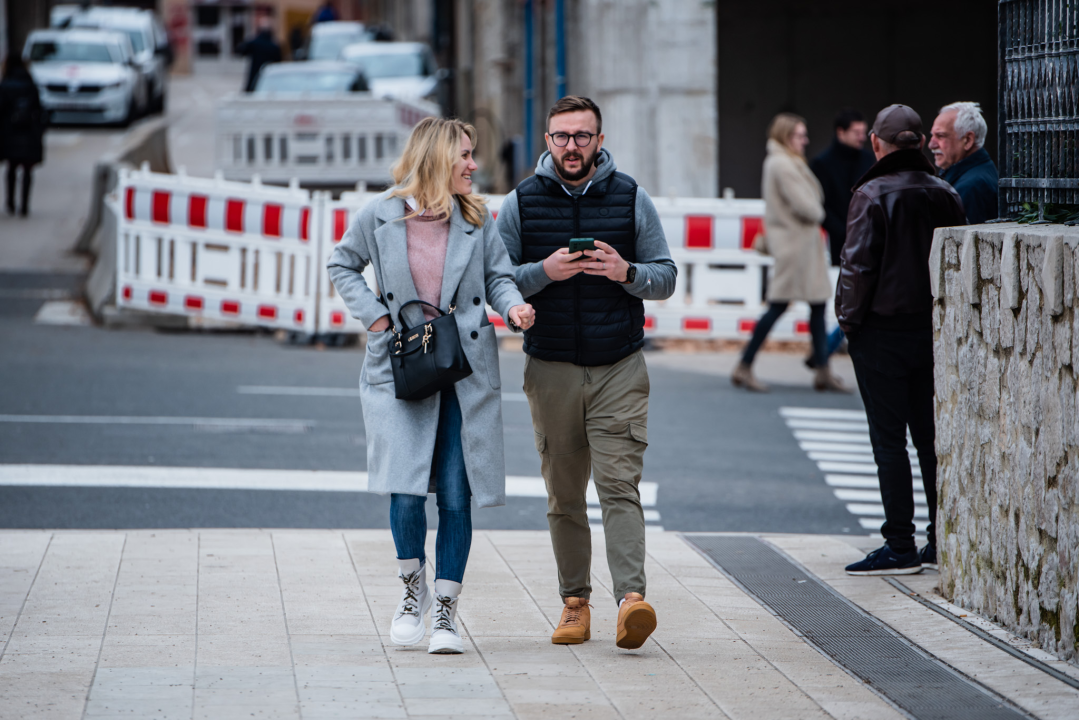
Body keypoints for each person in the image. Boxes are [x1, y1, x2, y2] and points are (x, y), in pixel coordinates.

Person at [327, 117, 534, 653]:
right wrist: (375, 319)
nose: (473, 164)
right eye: (465, 155)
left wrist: (513, 308)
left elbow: (497, 279)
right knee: (405, 490)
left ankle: (445, 611)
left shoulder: (477, 217)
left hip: (463, 370)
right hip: (400, 367)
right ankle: (409, 590)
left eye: (473, 155)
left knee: (458, 497)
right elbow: (342, 264)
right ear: (437, 158)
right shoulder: (380, 215)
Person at [497, 96, 676, 649]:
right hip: (550, 366)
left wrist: (626, 273)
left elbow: (665, 276)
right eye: (560, 136)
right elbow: (497, 279)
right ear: (547, 141)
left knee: (619, 485)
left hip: (619, 365)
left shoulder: (631, 198)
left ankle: (631, 601)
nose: (571, 146)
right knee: (564, 494)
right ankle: (575, 604)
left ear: (599, 140)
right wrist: (543, 274)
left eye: (581, 136)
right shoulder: (521, 203)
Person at [837, 105, 966, 575]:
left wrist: (849, 325)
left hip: (880, 333)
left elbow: (857, 268)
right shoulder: (945, 192)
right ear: (917, 144)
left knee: (888, 441)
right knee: (929, 439)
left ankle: (899, 544)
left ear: (877, 143)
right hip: (930, 331)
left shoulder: (871, 194)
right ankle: (939, 540)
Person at [731, 113, 848, 394]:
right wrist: (820, 211)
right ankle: (744, 365)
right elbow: (808, 207)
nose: (805, 140)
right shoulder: (782, 163)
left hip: (800, 246)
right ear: (786, 136)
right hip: (796, 247)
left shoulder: (784, 161)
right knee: (780, 305)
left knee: (816, 304)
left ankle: (822, 370)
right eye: (799, 135)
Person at [809, 108, 875, 366]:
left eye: (864, 132)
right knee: (849, 301)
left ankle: (822, 352)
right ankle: (822, 352)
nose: (862, 137)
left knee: (854, 301)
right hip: (838, 241)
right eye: (857, 132)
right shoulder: (822, 164)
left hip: (865, 239)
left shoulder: (868, 160)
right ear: (841, 132)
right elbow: (821, 207)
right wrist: (845, 232)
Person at [929, 101, 997, 224]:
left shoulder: (971, 187)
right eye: (932, 136)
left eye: (940, 136)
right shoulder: (977, 174)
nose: (931, 145)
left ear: (967, 140)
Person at [0, 55, 46, 217]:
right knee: (27, 169)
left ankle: (10, 202)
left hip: (9, 133)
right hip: (28, 133)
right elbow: (40, 110)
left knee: (11, 168)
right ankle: (24, 206)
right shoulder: (30, 85)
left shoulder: (5, 85)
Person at [238, 15, 282, 93]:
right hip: (270, 79)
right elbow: (279, 63)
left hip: (254, 76)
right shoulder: (274, 46)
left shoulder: (254, 43)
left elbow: (240, 51)